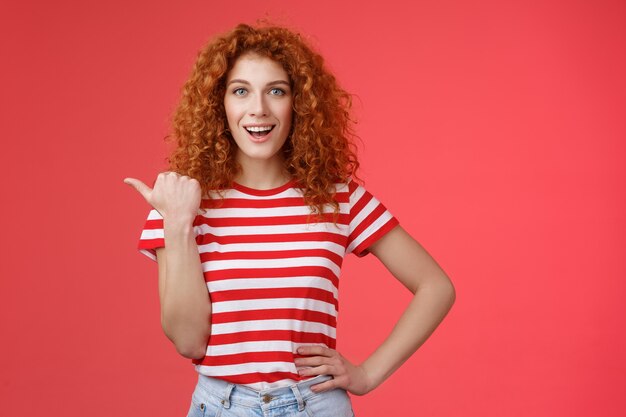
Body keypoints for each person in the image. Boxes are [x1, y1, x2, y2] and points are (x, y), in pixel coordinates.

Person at [124, 22, 455, 417]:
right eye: (241, 90)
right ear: (219, 103)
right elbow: (189, 342)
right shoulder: (182, 203)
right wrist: (178, 224)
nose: (258, 109)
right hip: (220, 406)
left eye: (275, 91)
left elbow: (436, 286)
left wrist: (367, 374)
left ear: (297, 103)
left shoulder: (337, 197)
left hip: (316, 405)